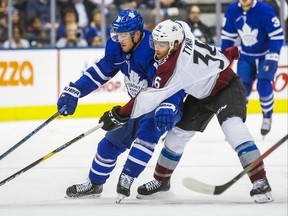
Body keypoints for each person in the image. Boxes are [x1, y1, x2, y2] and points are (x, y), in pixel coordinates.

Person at [99, 19, 274, 203]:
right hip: (200, 95)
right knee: (176, 136)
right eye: (155, 42)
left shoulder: (173, 68)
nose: (157, 48)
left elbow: (147, 98)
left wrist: (120, 113)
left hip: (226, 87)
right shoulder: (184, 34)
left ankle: (260, 180)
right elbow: (182, 24)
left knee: (233, 129)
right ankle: (161, 182)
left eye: (162, 44)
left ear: (174, 44)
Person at [57, 9, 184, 203]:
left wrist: (169, 104)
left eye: (123, 35)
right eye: (116, 34)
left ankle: (128, 176)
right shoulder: (116, 47)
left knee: (146, 136)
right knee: (109, 143)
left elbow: (173, 81)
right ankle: (94, 184)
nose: (119, 39)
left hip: (161, 104)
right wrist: (76, 90)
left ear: (138, 34)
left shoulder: (153, 49)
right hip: (136, 105)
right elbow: (101, 71)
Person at [221, 0, 284, 136]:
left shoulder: (265, 9)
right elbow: (228, 37)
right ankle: (238, 124)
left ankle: (267, 116)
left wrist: (273, 55)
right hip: (246, 56)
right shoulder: (232, 10)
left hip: (266, 55)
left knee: (263, 85)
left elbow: (277, 36)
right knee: (242, 89)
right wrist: (223, 59)